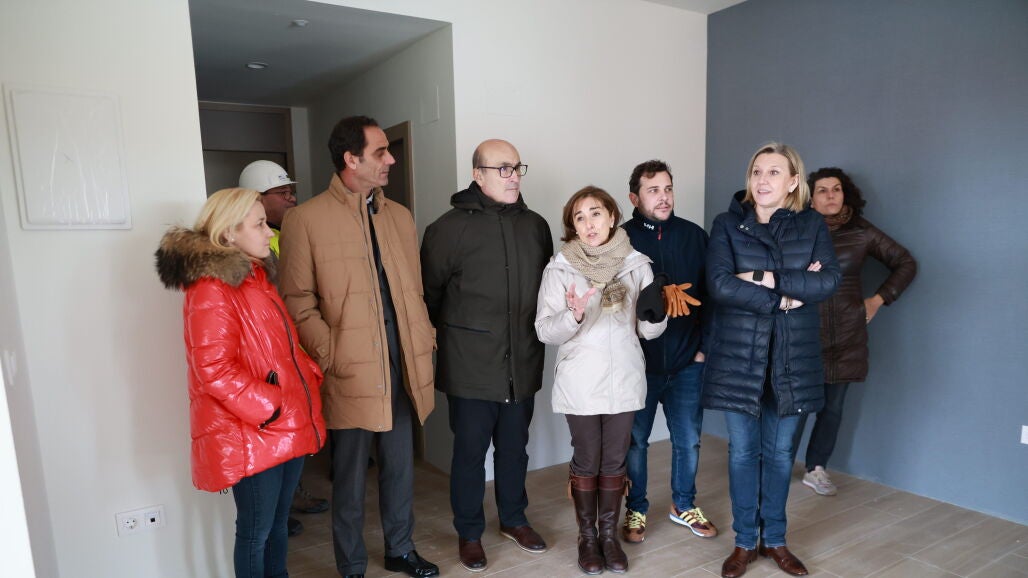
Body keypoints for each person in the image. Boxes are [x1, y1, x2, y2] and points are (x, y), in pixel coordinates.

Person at [278, 116, 438, 578]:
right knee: (349, 475)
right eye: (380, 152)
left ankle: (400, 549)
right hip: (349, 369)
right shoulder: (305, 220)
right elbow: (296, 301)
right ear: (351, 159)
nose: (391, 160)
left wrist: (424, 336)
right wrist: (331, 353)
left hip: (402, 362)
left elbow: (414, 290)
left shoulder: (399, 216)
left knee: (399, 467)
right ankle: (351, 565)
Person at [155, 187, 326, 577]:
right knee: (255, 532)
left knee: (277, 524)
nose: (269, 232)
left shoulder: (256, 277)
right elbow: (213, 368)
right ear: (229, 232)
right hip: (254, 429)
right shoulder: (211, 287)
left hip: (284, 422)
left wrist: (307, 376)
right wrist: (271, 406)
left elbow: (279, 348)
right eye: (260, 224)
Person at [703, 143, 841, 578]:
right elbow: (720, 285)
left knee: (781, 454)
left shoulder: (811, 224)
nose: (763, 180)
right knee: (743, 453)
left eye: (774, 172)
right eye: (757, 171)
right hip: (739, 358)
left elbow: (828, 282)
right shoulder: (727, 224)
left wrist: (762, 277)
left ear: (793, 182)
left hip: (792, 358)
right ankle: (745, 542)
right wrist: (785, 297)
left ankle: (776, 540)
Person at [420, 139, 552, 572]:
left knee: (514, 450)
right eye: (503, 168)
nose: (513, 176)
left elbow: (546, 290)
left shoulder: (536, 226)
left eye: (517, 167)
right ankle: (470, 532)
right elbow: (430, 297)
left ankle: (514, 519)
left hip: (522, 361)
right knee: (470, 454)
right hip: (470, 366)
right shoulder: (447, 229)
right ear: (478, 174)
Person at [535, 186, 668, 575]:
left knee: (614, 459)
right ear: (572, 226)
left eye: (596, 213)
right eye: (579, 217)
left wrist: (656, 314)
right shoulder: (560, 268)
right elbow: (545, 330)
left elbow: (647, 331)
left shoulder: (636, 265)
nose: (589, 223)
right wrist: (573, 315)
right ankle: (587, 538)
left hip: (624, 377)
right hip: (580, 380)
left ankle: (609, 538)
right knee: (587, 458)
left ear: (612, 217)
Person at [794, 167, 917, 496]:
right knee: (796, 406)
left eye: (836, 189)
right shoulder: (797, 229)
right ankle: (777, 467)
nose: (831, 195)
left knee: (832, 408)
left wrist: (878, 300)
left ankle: (816, 469)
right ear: (810, 198)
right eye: (823, 190)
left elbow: (905, 262)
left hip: (847, 334)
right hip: (804, 331)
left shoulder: (862, 231)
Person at [621, 160, 718, 544]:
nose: (663, 197)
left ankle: (683, 504)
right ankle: (636, 508)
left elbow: (713, 298)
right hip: (638, 365)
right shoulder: (619, 239)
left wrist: (703, 350)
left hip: (688, 363)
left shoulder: (695, 236)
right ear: (635, 198)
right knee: (635, 443)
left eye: (667, 189)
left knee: (688, 440)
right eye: (653, 190)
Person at [238, 160, 329, 536]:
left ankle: (289, 500)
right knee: (259, 521)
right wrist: (268, 399)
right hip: (267, 377)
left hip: (294, 361)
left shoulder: (289, 234)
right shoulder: (236, 268)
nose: (292, 198)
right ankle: (283, 504)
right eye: (282, 192)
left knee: (295, 446)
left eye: (292, 191)